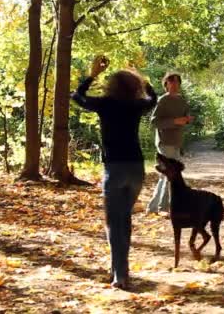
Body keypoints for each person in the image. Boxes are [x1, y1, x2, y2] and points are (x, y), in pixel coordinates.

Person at [71, 56, 157, 289]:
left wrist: (92, 74)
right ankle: (119, 269)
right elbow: (153, 99)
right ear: (134, 87)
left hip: (114, 169)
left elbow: (77, 97)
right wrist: (142, 77)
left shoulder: (105, 104)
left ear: (112, 86)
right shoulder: (136, 106)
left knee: (114, 222)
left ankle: (120, 274)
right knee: (124, 218)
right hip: (136, 170)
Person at [146, 72, 192, 215]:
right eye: (171, 82)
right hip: (164, 142)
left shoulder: (181, 100)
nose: (174, 85)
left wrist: (187, 119)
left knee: (166, 176)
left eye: (177, 82)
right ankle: (163, 207)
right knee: (170, 175)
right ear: (165, 84)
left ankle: (153, 208)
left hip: (177, 142)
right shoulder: (163, 100)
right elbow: (154, 122)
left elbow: (185, 117)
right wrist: (174, 121)